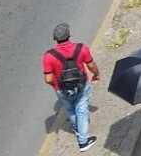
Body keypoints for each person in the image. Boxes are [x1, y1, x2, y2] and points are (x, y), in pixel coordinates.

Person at [43, 23, 100, 152]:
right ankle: (83, 142)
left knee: (71, 110)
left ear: (55, 39)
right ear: (69, 35)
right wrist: (96, 74)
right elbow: (91, 65)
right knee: (82, 110)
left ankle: (77, 129)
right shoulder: (81, 48)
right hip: (81, 85)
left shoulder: (48, 56)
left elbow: (48, 79)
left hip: (61, 89)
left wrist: (56, 86)